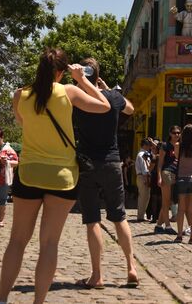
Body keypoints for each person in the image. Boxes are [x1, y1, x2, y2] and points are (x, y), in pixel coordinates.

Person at [0, 48, 110, 304]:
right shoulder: (69, 92)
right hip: (62, 177)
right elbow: (104, 106)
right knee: (49, 244)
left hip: (30, 174)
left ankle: (2, 299)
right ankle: (38, 302)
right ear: (61, 71)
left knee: (17, 240)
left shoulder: (20, 95)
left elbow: (23, 123)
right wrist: (82, 80)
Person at [72, 57, 138, 290]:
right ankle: (131, 267)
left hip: (88, 164)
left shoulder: (77, 98)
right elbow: (130, 108)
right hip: (112, 163)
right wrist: (109, 89)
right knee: (119, 216)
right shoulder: (112, 97)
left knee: (92, 220)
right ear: (97, 75)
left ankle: (97, 275)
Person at [174, 124, 192, 245]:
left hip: (182, 179)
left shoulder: (178, 146)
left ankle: (179, 235)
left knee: (181, 209)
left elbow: (176, 157)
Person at [155, 126, 181, 235]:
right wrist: (159, 177)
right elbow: (160, 163)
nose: (177, 135)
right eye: (174, 133)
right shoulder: (165, 146)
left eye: (179, 133)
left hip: (175, 174)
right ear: (170, 134)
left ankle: (158, 226)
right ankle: (168, 226)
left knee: (169, 201)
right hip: (167, 173)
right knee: (166, 202)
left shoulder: (179, 146)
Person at [134, 138, 153, 222]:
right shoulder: (142, 154)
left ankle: (141, 214)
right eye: (149, 145)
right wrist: (146, 178)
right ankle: (140, 216)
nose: (150, 147)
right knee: (143, 197)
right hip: (143, 177)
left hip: (142, 176)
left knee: (145, 196)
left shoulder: (143, 154)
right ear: (145, 145)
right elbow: (144, 168)